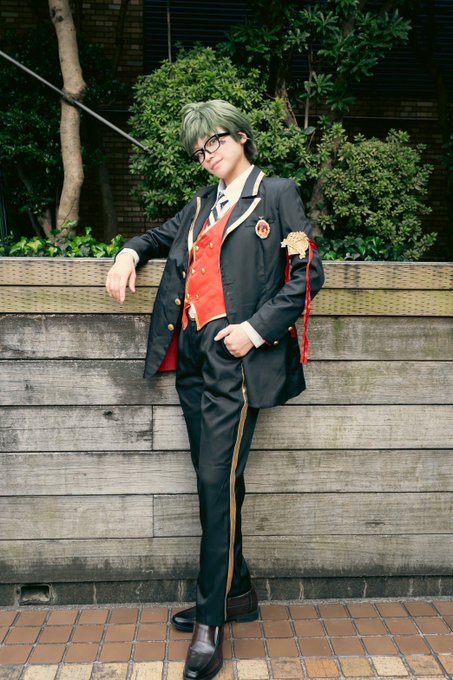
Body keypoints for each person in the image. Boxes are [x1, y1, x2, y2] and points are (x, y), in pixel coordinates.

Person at [106, 99, 325, 680]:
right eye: (199, 150)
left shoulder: (276, 194)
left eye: (216, 141)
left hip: (237, 361)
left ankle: (211, 621)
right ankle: (239, 592)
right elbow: (160, 236)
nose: (208, 155)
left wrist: (253, 331)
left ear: (241, 137)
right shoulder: (202, 203)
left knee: (213, 481)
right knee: (221, 482)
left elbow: (308, 274)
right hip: (194, 358)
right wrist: (129, 252)